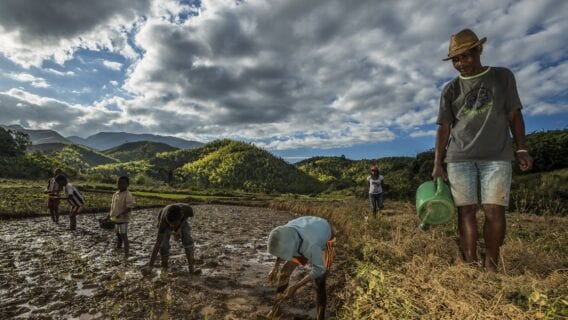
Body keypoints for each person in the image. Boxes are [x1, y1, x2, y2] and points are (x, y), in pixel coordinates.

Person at [432, 28, 533, 272]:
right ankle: (470, 263)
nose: (460, 63)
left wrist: (521, 149)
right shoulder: (451, 89)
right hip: (459, 157)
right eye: (455, 59)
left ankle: (491, 264)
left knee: (493, 209)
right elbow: (444, 129)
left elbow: (514, 115)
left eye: (465, 56)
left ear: (479, 50)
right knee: (465, 211)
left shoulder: (502, 77)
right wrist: (437, 163)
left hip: (496, 155)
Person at [266, 216, 335, 320]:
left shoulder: (312, 246)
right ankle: (276, 309)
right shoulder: (283, 231)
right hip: (304, 231)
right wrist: (275, 267)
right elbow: (280, 245)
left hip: (325, 235)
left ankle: (320, 317)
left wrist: (296, 286)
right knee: (284, 272)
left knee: (319, 281)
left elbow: (319, 269)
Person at [146, 203, 197, 273]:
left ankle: (191, 267)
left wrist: (178, 229)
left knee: (188, 241)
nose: (172, 227)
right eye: (171, 225)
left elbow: (185, 219)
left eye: (174, 225)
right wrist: (150, 266)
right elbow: (157, 243)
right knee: (163, 245)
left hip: (181, 221)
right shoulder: (163, 223)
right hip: (164, 218)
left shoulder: (188, 210)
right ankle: (164, 267)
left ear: (181, 217)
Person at [105, 176, 135, 258]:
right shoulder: (115, 194)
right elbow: (112, 207)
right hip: (115, 219)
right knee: (118, 235)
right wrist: (108, 216)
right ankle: (118, 248)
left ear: (127, 184)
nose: (121, 185)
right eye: (119, 183)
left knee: (124, 235)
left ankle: (126, 254)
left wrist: (121, 214)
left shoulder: (128, 194)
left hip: (123, 219)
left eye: (123, 183)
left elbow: (129, 207)